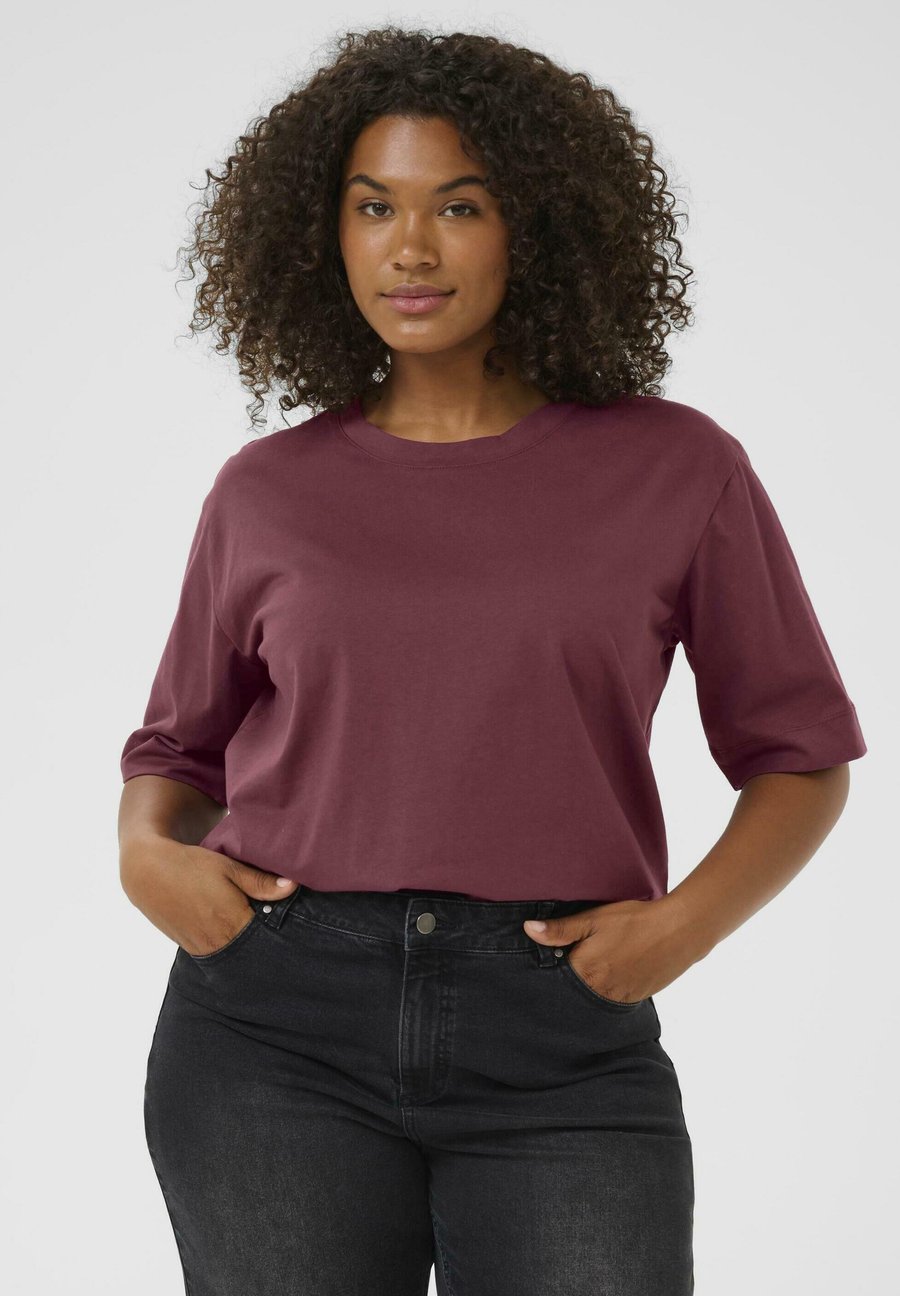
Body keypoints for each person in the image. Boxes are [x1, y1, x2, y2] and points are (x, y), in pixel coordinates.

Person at [117, 27, 867, 1296]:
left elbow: (800, 755)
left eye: (459, 206)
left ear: (541, 226)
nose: (410, 249)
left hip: (561, 1039)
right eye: (374, 207)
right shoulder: (266, 489)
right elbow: (176, 748)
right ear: (324, 234)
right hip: (272, 1033)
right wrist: (148, 857)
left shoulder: (678, 469)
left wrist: (680, 932)